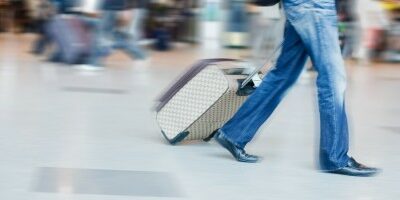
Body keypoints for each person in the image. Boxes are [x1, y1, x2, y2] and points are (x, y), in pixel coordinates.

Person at [214, 0, 380, 177]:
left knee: (284, 74)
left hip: (304, 5)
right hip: (314, 5)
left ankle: (234, 134)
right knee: (333, 77)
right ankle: (334, 157)